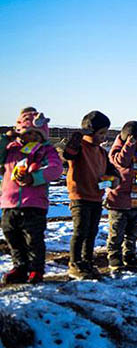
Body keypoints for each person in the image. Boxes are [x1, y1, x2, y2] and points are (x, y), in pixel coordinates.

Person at [0, 109, 62, 284]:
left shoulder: (45, 151)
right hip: (9, 202)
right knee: (12, 236)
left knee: (33, 239)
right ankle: (20, 266)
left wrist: (34, 178)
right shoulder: (11, 149)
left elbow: (55, 168)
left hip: (34, 204)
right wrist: (6, 137)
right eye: (29, 133)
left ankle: (36, 269)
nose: (32, 137)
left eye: (37, 134)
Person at [63, 111, 119, 279]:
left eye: (105, 133)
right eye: (101, 133)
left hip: (96, 197)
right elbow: (67, 154)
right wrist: (77, 137)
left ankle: (87, 261)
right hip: (79, 196)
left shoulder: (101, 153)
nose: (103, 137)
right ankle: (74, 262)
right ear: (89, 132)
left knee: (92, 231)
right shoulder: (80, 147)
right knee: (80, 231)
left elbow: (112, 170)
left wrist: (114, 179)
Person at [106, 121, 137, 271]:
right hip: (119, 202)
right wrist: (129, 146)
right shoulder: (117, 151)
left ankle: (129, 253)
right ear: (131, 138)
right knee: (117, 232)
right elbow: (121, 162)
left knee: (133, 232)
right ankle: (114, 255)